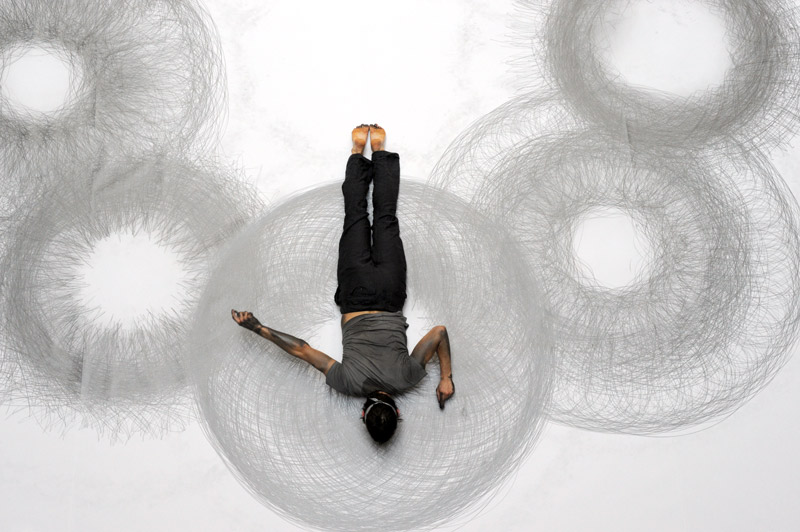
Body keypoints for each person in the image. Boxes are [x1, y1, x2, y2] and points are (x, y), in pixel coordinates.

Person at [231, 124, 454, 444]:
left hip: (390, 293)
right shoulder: (348, 384)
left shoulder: (409, 379)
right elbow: (303, 350)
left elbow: (439, 332)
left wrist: (446, 378)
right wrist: (258, 328)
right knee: (356, 217)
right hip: (356, 294)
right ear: (363, 414)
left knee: (386, 218)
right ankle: (358, 152)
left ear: (397, 412)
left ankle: (376, 152)